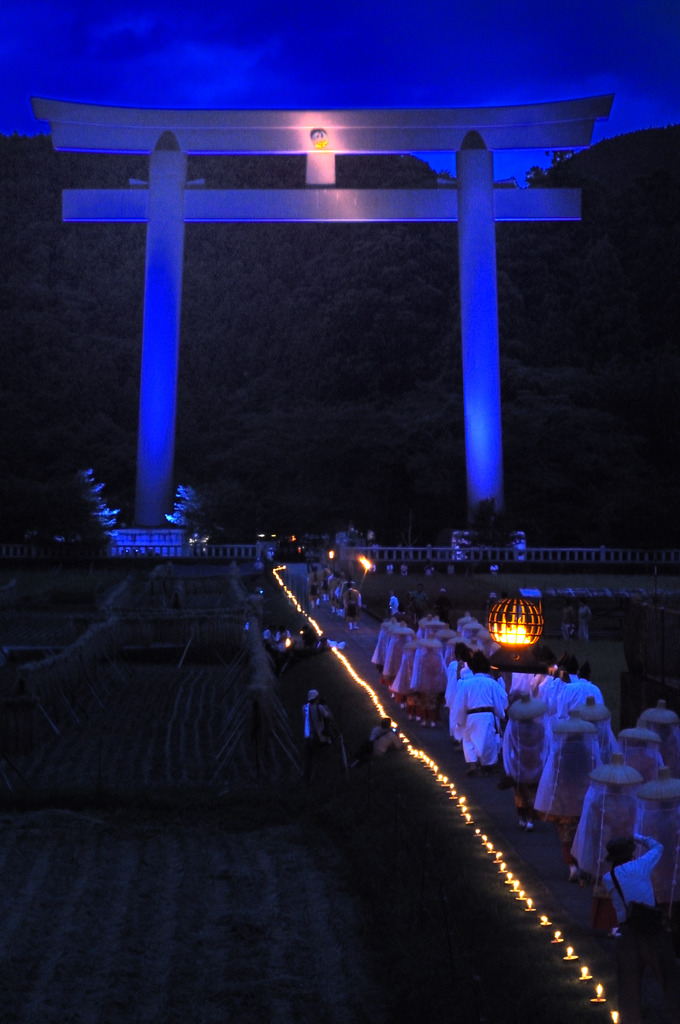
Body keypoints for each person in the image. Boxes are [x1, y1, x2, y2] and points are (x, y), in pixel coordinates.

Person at [603, 834, 680, 1024]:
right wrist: (637, 836)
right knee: (670, 978)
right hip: (652, 930)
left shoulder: (608, 878)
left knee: (628, 985)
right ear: (630, 853)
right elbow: (658, 847)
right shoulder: (641, 866)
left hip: (627, 934)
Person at [452, 650, 508, 776]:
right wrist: (501, 714)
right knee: (489, 741)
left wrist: (460, 720)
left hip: (471, 715)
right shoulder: (492, 683)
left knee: (468, 740)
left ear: (471, 667)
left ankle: (472, 764)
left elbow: (460, 703)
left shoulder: (466, 683)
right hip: (487, 715)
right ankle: (486, 765)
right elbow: (500, 700)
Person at [302, 689, 333, 781]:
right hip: (317, 738)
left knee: (308, 760)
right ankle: (313, 780)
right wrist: (325, 706)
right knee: (317, 759)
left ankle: (306, 778)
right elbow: (330, 717)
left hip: (307, 738)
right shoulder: (320, 708)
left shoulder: (304, 708)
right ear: (316, 698)